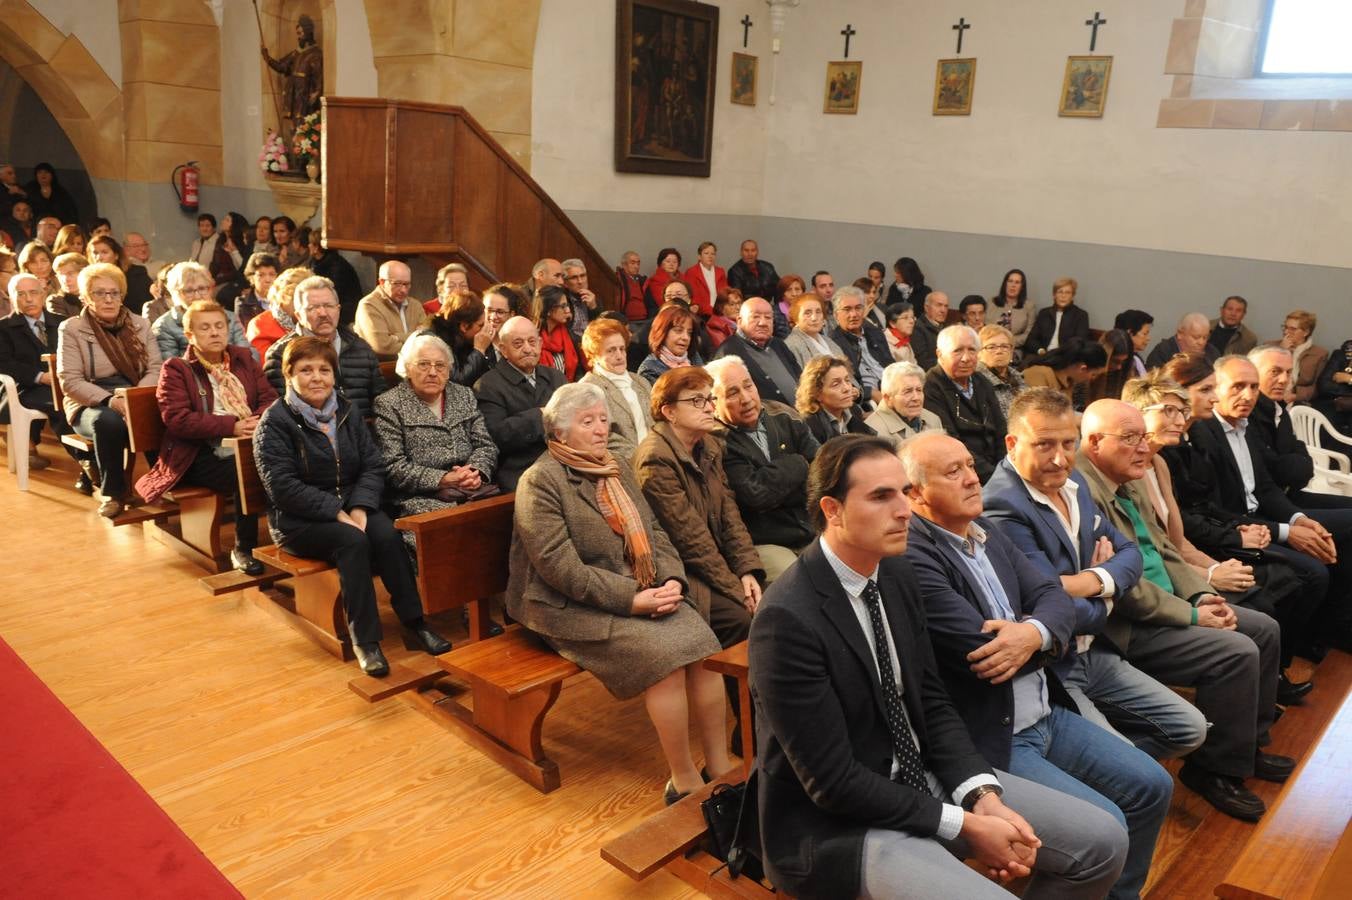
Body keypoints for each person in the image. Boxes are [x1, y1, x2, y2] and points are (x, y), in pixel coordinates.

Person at [750, 434, 1129, 900]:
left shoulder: (895, 571)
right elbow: (832, 783)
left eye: (904, 492)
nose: (904, 510)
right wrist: (966, 824)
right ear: (832, 510)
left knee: (1103, 842)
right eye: (880, 497)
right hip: (840, 824)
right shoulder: (786, 619)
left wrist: (981, 796)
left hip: (925, 775)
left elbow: (931, 699)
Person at [902, 431, 1172, 900]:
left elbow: (1052, 594)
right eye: (953, 472)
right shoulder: (914, 553)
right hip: (994, 732)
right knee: (1103, 829)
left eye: (970, 464)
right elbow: (981, 653)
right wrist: (1049, 631)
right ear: (915, 494)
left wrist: (1032, 633)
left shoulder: (987, 529)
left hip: (1047, 709)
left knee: (1153, 785)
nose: (971, 479)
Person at [507, 382, 732, 805]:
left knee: (705, 649)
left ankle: (719, 764)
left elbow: (656, 533)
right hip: (567, 604)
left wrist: (671, 580)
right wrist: (631, 599)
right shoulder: (539, 481)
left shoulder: (615, 467)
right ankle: (683, 779)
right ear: (559, 432)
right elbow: (559, 567)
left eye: (603, 420)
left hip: (642, 587)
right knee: (664, 662)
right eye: (587, 422)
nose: (599, 429)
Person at [1076, 399, 1292, 821]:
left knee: (1263, 628)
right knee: (1236, 650)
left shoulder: (1129, 477)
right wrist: (1193, 615)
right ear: (1094, 442)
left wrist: (1200, 596)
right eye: (1130, 438)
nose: (1143, 448)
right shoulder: (1083, 493)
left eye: (1143, 437)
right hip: (1128, 624)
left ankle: (1245, 747)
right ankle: (1213, 769)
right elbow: (1124, 589)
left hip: (1172, 603)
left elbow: (1166, 551)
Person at [983, 388, 1207, 763]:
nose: (1060, 458)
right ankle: (1109, 770)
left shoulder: (1074, 484)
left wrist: (1089, 582)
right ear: (1012, 443)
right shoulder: (1001, 506)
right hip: (1056, 665)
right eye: (1044, 445)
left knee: (1190, 729)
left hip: (1096, 652)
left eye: (1069, 443)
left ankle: (1105, 768)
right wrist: (1105, 599)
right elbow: (1049, 602)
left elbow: (1129, 553)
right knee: (1130, 769)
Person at [255, 336, 449, 677]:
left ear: (334, 374)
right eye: (306, 370)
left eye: (324, 370)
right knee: (353, 541)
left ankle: (415, 623)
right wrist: (336, 511)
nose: (317, 377)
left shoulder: (345, 410)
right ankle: (366, 640)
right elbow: (281, 487)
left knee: (387, 533)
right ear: (289, 375)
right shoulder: (275, 422)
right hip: (298, 519)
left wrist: (359, 506)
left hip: (350, 505)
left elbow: (373, 465)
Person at [1123, 372, 1318, 698]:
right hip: (1158, 589)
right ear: (1138, 414)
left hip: (1190, 559)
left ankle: (1265, 696)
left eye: (1181, 411)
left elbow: (1180, 537)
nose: (1180, 419)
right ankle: (1249, 707)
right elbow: (1156, 551)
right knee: (1262, 611)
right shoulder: (1133, 469)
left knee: (1273, 594)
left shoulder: (1158, 463)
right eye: (1168, 410)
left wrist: (1217, 565)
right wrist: (1212, 573)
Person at [1192, 356, 1352, 650]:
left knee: (1332, 540)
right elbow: (1218, 513)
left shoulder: (1245, 425)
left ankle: (1322, 635)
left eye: (1254, 387)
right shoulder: (1203, 433)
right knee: (1312, 573)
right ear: (1216, 389)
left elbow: (1265, 487)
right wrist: (1287, 531)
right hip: (1232, 533)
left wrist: (1299, 520)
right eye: (1238, 386)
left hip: (1257, 520)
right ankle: (1284, 661)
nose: (1249, 395)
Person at [134, 300, 276, 575]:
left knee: (283, 463)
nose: (214, 333)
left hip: (248, 441)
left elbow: (269, 398)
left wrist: (255, 421)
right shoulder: (176, 369)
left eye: (219, 326)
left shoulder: (242, 358)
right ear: (190, 335)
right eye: (205, 328)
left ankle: (287, 534)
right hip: (196, 455)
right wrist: (232, 426)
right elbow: (178, 420)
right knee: (246, 473)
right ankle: (243, 547)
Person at [634, 366, 762, 653]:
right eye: (696, 401)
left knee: (766, 599)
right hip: (676, 572)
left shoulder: (709, 445)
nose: (708, 407)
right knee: (741, 618)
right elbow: (688, 540)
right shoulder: (655, 458)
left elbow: (731, 517)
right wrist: (736, 590)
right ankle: (744, 696)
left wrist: (746, 572)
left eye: (709, 399)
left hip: (712, 563)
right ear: (669, 412)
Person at [56, 262, 164, 517]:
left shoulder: (140, 324)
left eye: (114, 293)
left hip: (135, 391)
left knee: (161, 415)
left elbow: (156, 368)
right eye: (99, 293)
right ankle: (114, 493)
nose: (108, 299)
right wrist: (109, 400)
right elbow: (69, 381)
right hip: (90, 400)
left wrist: (136, 398)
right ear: (85, 297)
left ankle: (164, 483)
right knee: (108, 422)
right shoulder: (72, 328)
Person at [708, 355, 819, 584]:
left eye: (748, 386)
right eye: (732, 393)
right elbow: (755, 494)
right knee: (800, 584)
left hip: (810, 527)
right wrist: (798, 464)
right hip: (765, 540)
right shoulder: (716, 441)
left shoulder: (783, 414)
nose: (746, 398)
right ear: (713, 402)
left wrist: (777, 488)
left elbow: (822, 470)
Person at [373, 331, 497, 522]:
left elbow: (485, 445)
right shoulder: (389, 404)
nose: (432, 372)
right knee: (449, 527)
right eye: (423, 364)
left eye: (440, 366)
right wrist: (443, 479)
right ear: (408, 368)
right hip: (421, 498)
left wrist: (475, 472)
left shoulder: (463, 395)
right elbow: (393, 466)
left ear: (449, 371)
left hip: (471, 490)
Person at [264, 275, 385, 421]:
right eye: (313, 308)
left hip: (362, 433)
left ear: (338, 309)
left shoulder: (360, 348)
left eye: (328, 306)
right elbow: (284, 411)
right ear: (298, 315)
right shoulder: (280, 354)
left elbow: (381, 401)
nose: (323, 313)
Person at [472, 315, 566, 491]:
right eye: (518, 343)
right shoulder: (487, 385)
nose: (527, 349)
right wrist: (540, 416)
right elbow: (494, 436)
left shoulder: (556, 377)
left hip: (563, 462)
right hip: (520, 471)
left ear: (540, 343)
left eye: (532, 342)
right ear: (503, 349)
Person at [0, 272, 78, 473]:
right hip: (26, 388)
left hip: (66, 382)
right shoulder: (4, 328)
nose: (28, 299)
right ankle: (88, 462)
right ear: (11, 298)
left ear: (43, 294)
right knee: (61, 406)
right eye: (21, 294)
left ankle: (98, 457)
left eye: (33, 292)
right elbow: (5, 364)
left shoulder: (64, 322)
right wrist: (40, 377)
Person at [924, 325, 1007, 484]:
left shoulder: (981, 381)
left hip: (998, 469)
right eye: (958, 351)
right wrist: (996, 477)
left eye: (972, 350)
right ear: (939, 354)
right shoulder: (931, 387)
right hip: (963, 473)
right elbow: (951, 442)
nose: (966, 358)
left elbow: (1001, 430)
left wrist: (1006, 468)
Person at [579, 317, 652, 462]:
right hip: (620, 466)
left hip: (655, 461)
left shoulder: (641, 382)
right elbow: (605, 437)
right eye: (611, 351)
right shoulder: (588, 388)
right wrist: (641, 459)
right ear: (594, 356)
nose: (619, 356)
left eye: (622, 349)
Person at [712, 295, 802, 408]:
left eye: (768, 317)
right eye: (755, 317)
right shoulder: (728, 352)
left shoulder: (778, 344)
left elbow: (799, 376)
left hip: (802, 414)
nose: (763, 323)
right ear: (739, 321)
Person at [153, 262, 251, 362]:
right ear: (176, 293)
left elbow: (248, 354)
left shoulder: (229, 316)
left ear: (211, 289)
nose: (197, 296)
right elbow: (171, 367)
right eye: (189, 291)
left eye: (202, 288)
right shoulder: (164, 325)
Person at [260, 15, 323, 142]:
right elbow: (282, 67)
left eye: (300, 33)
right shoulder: (296, 53)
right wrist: (267, 58)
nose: (298, 36)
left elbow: (319, 77)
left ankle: (303, 160)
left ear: (308, 32)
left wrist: (316, 94)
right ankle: (295, 159)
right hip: (294, 98)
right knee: (294, 130)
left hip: (305, 99)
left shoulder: (315, 54)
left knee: (304, 132)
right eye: (297, 33)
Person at [829, 285, 891, 403]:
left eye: (858, 308)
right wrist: (870, 393)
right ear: (836, 315)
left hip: (891, 388)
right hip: (867, 399)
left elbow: (890, 363)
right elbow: (847, 383)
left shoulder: (875, 332)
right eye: (847, 309)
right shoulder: (834, 343)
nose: (854, 314)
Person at [354, 260, 426, 360]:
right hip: (380, 369)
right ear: (382, 282)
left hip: (414, 367)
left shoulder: (415, 305)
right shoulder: (368, 305)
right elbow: (382, 346)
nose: (403, 290)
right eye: (397, 284)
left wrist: (396, 337)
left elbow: (428, 339)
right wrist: (415, 336)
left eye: (407, 284)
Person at [424, 288, 495, 387]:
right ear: (464, 326)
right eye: (480, 325)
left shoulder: (464, 339)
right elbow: (457, 384)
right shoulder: (432, 342)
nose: (484, 330)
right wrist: (479, 350)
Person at [798, 355, 875, 444]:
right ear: (816, 393)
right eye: (836, 384)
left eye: (847, 380)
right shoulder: (809, 426)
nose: (847, 388)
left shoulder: (854, 410)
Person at [866, 361, 942, 445]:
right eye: (907, 391)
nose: (916, 398)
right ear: (888, 398)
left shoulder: (933, 419)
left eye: (919, 390)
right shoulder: (874, 430)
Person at [1020, 339, 1109, 408]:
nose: (1092, 378)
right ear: (1082, 368)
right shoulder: (1039, 374)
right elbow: (1037, 414)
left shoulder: (1069, 380)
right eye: (1093, 374)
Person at [247, 265, 308, 361]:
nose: (306, 305)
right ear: (283, 298)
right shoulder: (259, 325)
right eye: (300, 300)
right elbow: (264, 367)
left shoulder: (315, 321)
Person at [1268, 309, 1326, 404]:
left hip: (1298, 401)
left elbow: (1317, 387)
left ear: (1306, 332)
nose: (1286, 332)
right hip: (1270, 394)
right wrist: (1281, 351)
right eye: (1285, 327)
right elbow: (1262, 373)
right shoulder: (1270, 346)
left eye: (1293, 329)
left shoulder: (1319, 354)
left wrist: (1295, 396)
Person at [637, 302, 703, 384]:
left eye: (689, 333)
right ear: (662, 332)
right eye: (678, 330)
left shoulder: (694, 358)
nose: (686, 337)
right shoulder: (649, 369)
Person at [1024, 277, 1090, 357]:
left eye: (1067, 293)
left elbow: (1079, 343)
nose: (1063, 296)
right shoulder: (1044, 313)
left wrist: (1059, 355)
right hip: (1042, 355)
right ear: (1054, 295)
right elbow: (1031, 340)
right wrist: (1041, 351)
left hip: (1065, 358)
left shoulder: (1081, 315)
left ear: (1072, 296)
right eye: (1060, 292)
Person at [307, 231, 363, 325]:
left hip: (344, 311)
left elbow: (334, 294)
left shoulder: (337, 266)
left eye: (310, 243)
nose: (308, 245)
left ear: (316, 247)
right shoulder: (314, 261)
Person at [975, 323, 1026, 422]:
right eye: (991, 347)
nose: (999, 351)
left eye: (1004, 346)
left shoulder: (1019, 377)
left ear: (1011, 351)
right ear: (979, 352)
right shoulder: (975, 380)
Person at [534, 284, 581, 382]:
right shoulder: (532, 338)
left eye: (567, 305)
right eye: (563, 306)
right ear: (548, 310)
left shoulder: (569, 334)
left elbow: (578, 370)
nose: (568, 310)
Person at [725, 239, 780, 316]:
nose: (750, 254)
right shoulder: (734, 271)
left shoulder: (768, 267)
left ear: (757, 252)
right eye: (746, 250)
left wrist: (778, 308)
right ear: (741, 252)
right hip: (748, 311)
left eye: (753, 250)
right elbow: (737, 297)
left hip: (769, 308)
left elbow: (779, 289)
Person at [781, 292, 833, 371]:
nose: (814, 318)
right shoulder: (791, 345)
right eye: (807, 313)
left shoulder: (828, 341)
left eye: (818, 312)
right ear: (796, 318)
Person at [1145, 312, 1216, 370]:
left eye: (1205, 337)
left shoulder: (1212, 352)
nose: (1201, 342)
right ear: (1180, 334)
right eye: (1196, 337)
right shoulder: (1163, 351)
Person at [990, 268, 1034, 357]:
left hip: (1014, 349)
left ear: (1022, 287)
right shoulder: (992, 302)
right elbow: (986, 327)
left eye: (1017, 282)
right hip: (991, 347)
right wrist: (996, 343)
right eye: (1010, 281)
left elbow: (1029, 333)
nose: (1013, 285)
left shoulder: (1029, 306)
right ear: (1005, 284)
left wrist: (1009, 342)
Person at [234, 252, 278, 330]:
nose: (267, 280)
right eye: (261, 275)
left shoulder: (284, 301)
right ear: (252, 278)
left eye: (272, 274)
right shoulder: (243, 303)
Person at [910, 290, 949, 371]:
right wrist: (950, 362)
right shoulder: (917, 328)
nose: (943, 310)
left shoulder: (946, 328)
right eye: (939, 305)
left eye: (946, 306)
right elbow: (923, 362)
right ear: (926, 308)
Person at [560, 257, 597, 338]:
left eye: (582, 276)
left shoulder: (592, 297)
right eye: (574, 277)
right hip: (573, 345)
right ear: (565, 282)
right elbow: (565, 333)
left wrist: (594, 308)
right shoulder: (562, 301)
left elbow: (599, 328)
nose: (580, 281)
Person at [616, 250, 653, 324]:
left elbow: (650, 303)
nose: (636, 266)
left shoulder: (643, 281)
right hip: (627, 321)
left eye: (638, 263)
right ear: (624, 265)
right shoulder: (617, 280)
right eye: (632, 263)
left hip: (645, 320)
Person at [1113, 312, 1153, 380]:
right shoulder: (1122, 360)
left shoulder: (1136, 357)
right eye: (1145, 334)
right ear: (1130, 333)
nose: (1148, 338)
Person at [46, 252, 86, 318]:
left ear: (83, 273)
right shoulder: (56, 301)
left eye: (70, 273)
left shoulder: (94, 297)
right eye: (61, 275)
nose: (65, 279)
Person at [644, 247, 682, 312]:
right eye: (668, 261)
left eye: (675, 262)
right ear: (661, 263)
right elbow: (663, 303)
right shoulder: (655, 280)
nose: (671, 264)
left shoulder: (683, 278)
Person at [772, 273, 807, 339]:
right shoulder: (772, 312)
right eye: (789, 290)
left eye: (797, 289)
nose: (794, 294)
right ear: (782, 293)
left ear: (803, 292)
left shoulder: (808, 310)